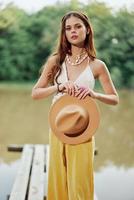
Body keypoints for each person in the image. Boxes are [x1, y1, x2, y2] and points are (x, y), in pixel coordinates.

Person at [31, 11, 119, 200]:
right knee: (58, 179)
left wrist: (94, 94)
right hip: (58, 127)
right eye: (68, 28)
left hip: (83, 129)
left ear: (87, 30)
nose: (73, 31)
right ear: (64, 33)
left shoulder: (97, 65)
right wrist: (59, 87)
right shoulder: (56, 61)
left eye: (78, 26)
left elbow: (114, 98)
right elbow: (35, 93)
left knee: (79, 182)